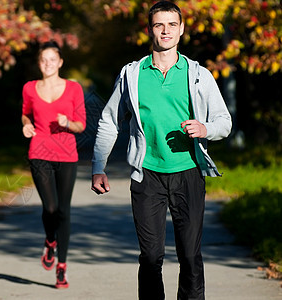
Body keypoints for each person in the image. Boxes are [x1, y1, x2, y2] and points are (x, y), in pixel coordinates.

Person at [91, 1, 232, 299]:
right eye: (159, 25)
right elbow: (109, 121)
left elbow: (224, 121)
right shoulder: (131, 75)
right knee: (151, 257)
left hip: (189, 173)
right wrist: (98, 166)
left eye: (171, 25)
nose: (165, 30)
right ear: (149, 30)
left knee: (190, 257)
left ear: (181, 30)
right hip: (148, 176)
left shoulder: (198, 74)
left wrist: (206, 129)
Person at [21, 41, 86, 289]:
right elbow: (25, 113)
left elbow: (81, 125)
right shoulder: (29, 88)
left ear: (60, 63)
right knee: (50, 207)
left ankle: (62, 267)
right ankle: (50, 240)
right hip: (39, 152)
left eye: (52, 59)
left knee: (63, 211)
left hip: (66, 155)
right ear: (39, 63)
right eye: (43, 60)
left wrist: (67, 122)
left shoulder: (73, 88)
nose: (47, 64)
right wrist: (26, 124)